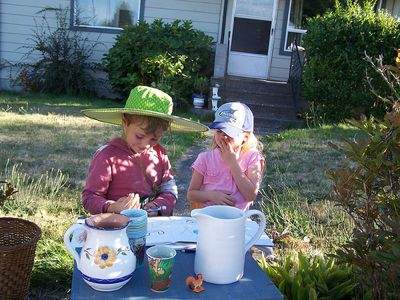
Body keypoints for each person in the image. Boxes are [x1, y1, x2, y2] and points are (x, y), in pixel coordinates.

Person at [81, 86, 208, 216]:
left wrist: (157, 207)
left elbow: (170, 190)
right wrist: (113, 207)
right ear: (125, 122)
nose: (145, 145)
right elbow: (90, 198)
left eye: (154, 139)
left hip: (152, 226)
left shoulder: (159, 154)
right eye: (139, 136)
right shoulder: (107, 156)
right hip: (115, 228)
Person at [187, 102, 264, 211]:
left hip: (237, 220)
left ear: (245, 137)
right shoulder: (205, 158)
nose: (223, 136)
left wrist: (233, 163)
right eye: (219, 131)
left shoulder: (252, 157)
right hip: (209, 218)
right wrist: (212, 196)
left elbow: (251, 195)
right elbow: (191, 194)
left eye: (230, 132)